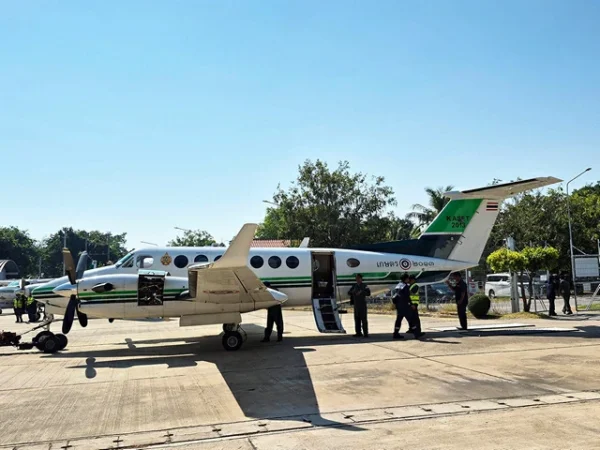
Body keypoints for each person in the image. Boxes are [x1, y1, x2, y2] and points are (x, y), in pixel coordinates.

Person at [392, 274, 412, 339]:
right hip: (404, 305)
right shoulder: (405, 286)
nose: (409, 279)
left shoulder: (399, 285)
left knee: (399, 320)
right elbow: (407, 296)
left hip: (399, 305)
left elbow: (396, 295)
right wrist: (410, 303)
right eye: (408, 278)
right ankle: (417, 333)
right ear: (405, 279)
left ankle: (396, 333)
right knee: (411, 319)